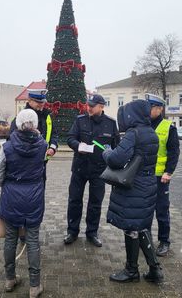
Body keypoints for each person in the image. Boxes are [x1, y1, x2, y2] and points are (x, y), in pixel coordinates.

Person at [102, 99, 163, 283]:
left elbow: (116, 159)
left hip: (133, 188)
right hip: (148, 186)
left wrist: (106, 152)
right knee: (141, 226)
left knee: (131, 228)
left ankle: (131, 271)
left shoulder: (133, 133)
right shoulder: (151, 133)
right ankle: (154, 270)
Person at [0, 109, 47, 297]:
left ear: (18, 124)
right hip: (34, 197)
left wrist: (7, 186)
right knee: (32, 240)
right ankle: (34, 285)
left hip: (11, 197)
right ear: (35, 124)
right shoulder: (43, 145)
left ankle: (9, 279)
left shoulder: (7, 147)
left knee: (10, 239)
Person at [64, 94, 120, 247]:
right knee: (74, 200)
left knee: (95, 203)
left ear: (101, 106)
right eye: (88, 104)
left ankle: (92, 233)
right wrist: (78, 146)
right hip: (79, 168)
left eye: (92, 105)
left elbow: (116, 147)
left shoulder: (110, 123)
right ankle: (72, 231)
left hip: (99, 170)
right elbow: (70, 138)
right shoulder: (80, 120)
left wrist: (112, 157)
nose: (88, 107)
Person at [145, 93, 180, 257]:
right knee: (144, 209)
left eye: (151, 107)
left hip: (161, 177)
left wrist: (168, 172)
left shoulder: (168, 127)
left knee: (162, 210)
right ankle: (145, 239)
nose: (148, 110)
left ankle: (164, 241)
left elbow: (174, 152)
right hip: (144, 175)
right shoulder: (143, 124)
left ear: (159, 109)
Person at [10, 89, 58, 167]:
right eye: (38, 102)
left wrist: (52, 148)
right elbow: (11, 138)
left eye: (42, 102)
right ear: (29, 100)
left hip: (42, 160)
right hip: (25, 161)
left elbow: (54, 134)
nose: (41, 104)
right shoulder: (21, 117)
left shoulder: (47, 116)